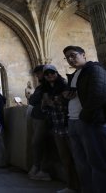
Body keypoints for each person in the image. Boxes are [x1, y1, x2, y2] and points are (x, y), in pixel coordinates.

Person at [63, 45, 106, 193]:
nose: (70, 59)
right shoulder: (75, 74)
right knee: (81, 163)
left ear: (83, 55)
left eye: (73, 55)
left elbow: (98, 95)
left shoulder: (95, 70)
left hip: (88, 122)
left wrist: (84, 117)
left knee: (97, 163)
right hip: (73, 121)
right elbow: (76, 95)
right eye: (67, 57)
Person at [40, 65, 79, 193]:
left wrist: (53, 101)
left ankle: (83, 185)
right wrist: (48, 103)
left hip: (68, 125)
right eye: (47, 74)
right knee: (65, 158)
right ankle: (71, 186)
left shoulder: (64, 86)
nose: (50, 75)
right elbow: (45, 108)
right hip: (57, 127)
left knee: (77, 157)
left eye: (52, 73)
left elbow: (68, 102)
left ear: (57, 73)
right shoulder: (46, 90)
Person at [28, 65, 52, 181]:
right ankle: (39, 167)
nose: (37, 76)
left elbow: (37, 100)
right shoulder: (40, 87)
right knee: (38, 143)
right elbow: (32, 100)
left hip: (44, 118)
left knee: (37, 142)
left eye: (38, 73)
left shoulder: (49, 85)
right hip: (37, 117)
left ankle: (41, 168)